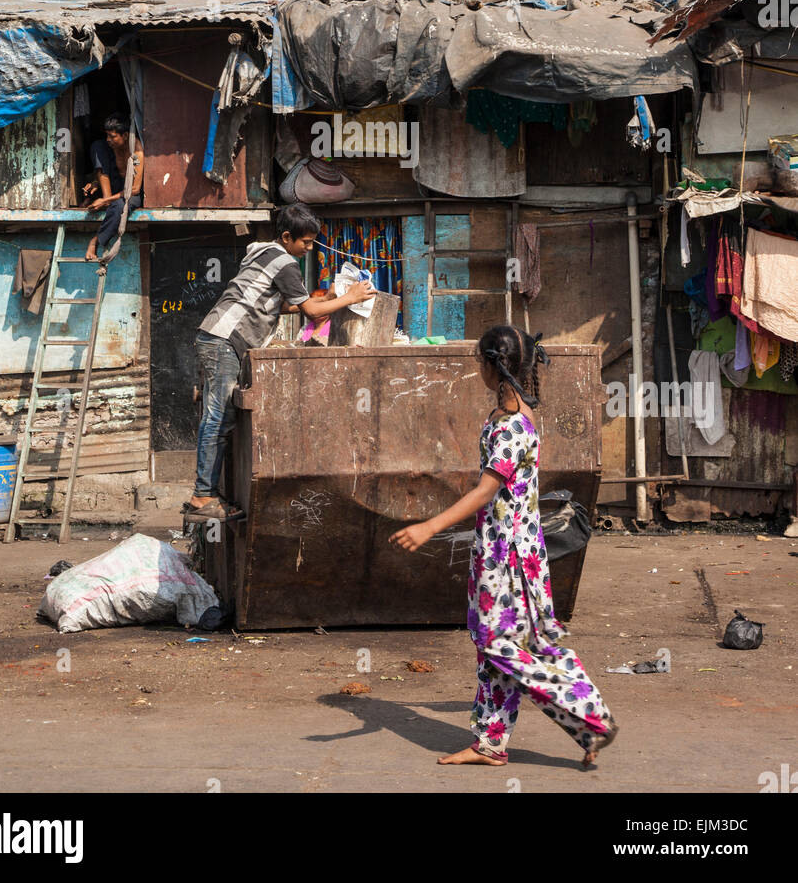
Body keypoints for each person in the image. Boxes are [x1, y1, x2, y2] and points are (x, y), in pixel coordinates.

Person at [391, 323, 617, 770]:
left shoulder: (513, 426)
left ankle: (591, 716)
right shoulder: (510, 415)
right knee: (500, 648)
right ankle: (491, 742)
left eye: (479, 361)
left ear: (494, 366)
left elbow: (484, 491)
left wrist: (429, 527)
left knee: (501, 646)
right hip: (498, 547)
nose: (477, 368)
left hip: (508, 556)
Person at [185, 204, 376, 519]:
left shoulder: (266, 254)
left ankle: (207, 494)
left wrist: (329, 299)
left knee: (220, 418)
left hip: (218, 337)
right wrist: (351, 297)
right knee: (218, 419)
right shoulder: (285, 262)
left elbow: (281, 305)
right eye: (306, 243)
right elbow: (311, 313)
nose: (309, 249)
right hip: (224, 339)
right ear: (287, 237)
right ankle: (202, 497)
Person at [85, 113, 144, 262]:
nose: (108, 140)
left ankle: (95, 241)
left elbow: (135, 190)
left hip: (131, 193)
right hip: (114, 187)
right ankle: (101, 197)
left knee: (119, 206)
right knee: (97, 146)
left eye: (112, 136)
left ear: (125, 136)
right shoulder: (108, 147)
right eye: (107, 136)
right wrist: (95, 183)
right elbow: (104, 168)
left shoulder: (136, 151)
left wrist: (106, 202)